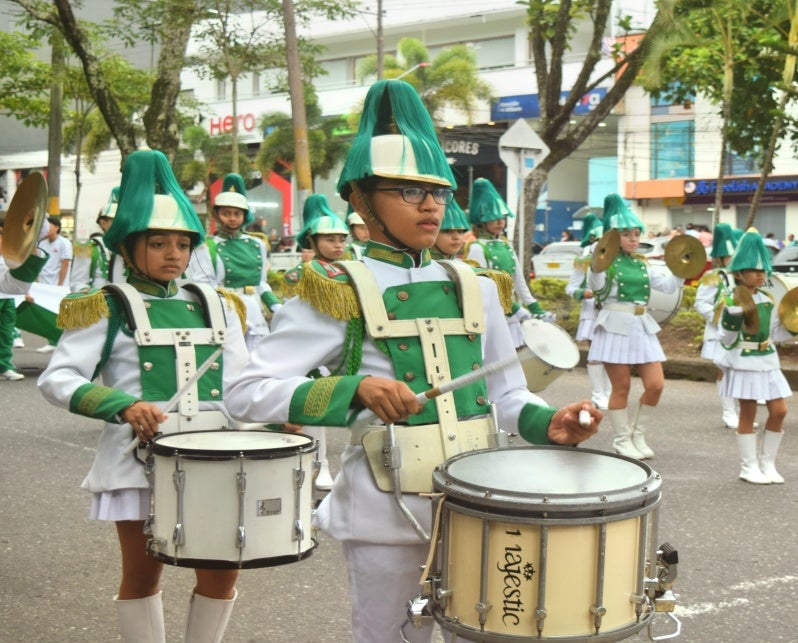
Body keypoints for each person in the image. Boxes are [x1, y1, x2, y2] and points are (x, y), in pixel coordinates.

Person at [224, 79, 599, 643]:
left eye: (438, 192)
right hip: (385, 508)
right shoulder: (333, 286)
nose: (430, 205)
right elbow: (246, 391)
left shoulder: (477, 285)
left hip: (479, 499)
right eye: (407, 191)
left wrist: (550, 423)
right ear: (361, 200)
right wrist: (355, 389)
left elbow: (505, 394)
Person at [38, 149, 249, 642]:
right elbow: (58, 377)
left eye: (183, 243)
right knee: (143, 572)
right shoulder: (106, 306)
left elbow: (243, 383)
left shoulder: (218, 304)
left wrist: (278, 417)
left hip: (216, 454)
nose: (174, 254)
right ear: (130, 246)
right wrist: (122, 405)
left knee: (222, 571)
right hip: (141, 458)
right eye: (158, 243)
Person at [588, 193, 683, 460]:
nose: (634, 239)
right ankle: (621, 440)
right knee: (622, 388)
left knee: (656, 384)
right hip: (614, 327)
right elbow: (595, 287)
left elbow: (668, 285)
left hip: (642, 326)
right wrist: (597, 262)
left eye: (637, 233)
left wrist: (683, 266)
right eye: (627, 234)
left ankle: (636, 435)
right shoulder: (602, 264)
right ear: (612, 237)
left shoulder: (642, 264)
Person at [717, 229, 798, 484]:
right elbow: (727, 340)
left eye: (763, 270)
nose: (760, 275)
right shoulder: (729, 299)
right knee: (748, 413)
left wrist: (796, 325)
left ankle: (768, 463)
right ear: (739, 273)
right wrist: (732, 319)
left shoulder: (767, 298)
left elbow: (775, 332)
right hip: (744, 361)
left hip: (768, 359)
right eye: (754, 270)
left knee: (779, 410)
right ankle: (748, 466)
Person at [282, 193, 353, 492]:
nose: (337, 244)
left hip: (345, 344)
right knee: (310, 404)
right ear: (312, 240)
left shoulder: (354, 270)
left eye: (341, 238)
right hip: (309, 346)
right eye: (329, 239)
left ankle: (330, 464)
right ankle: (313, 464)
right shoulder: (301, 273)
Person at [464, 177, 551, 346]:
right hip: (490, 317)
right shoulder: (477, 248)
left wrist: (535, 308)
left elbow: (519, 281)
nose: (500, 222)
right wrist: (516, 309)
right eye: (494, 218)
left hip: (511, 316)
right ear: (482, 220)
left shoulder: (505, 245)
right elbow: (485, 287)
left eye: (502, 217)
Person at [208, 174, 282, 350]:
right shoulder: (207, 246)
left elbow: (261, 283)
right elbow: (207, 286)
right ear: (216, 215)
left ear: (244, 215)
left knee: (259, 359)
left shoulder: (258, 243)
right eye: (226, 213)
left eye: (237, 213)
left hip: (254, 309)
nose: (232, 218)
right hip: (225, 309)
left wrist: (276, 306)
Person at [694, 223, 740, 428]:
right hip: (719, 331)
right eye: (730, 256)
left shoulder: (742, 276)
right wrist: (720, 318)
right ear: (721, 257)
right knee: (725, 370)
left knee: (739, 370)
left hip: (741, 332)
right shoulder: (712, 276)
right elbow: (700, 303)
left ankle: (739, 411)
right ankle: (728, 412)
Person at [567, 212, 611, 409]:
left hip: (611, 311)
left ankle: (610, 392)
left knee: (611, 354)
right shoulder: (583, 260)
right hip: (592, 312)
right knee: (596, 353)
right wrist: (583, 293)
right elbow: (570, 287)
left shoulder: (614, 257)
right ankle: (598, 394)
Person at [0, 219, 50, 380]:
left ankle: (4, 366)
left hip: (7, 298)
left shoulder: (7, 255)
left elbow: (13, 284)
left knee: (6, 334)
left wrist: (37, 216)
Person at [32, 214, 73, 353]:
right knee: (46, 313)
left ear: (56, 228)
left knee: (59, 314)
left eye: (48, 226)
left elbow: (65, 264)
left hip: (57, 285)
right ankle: (51, 341)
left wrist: (60, 285)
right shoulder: (42, 243)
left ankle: (60, 342)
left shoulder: (64, 243)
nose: (46, 229)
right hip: (44, 284)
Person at [70, 192, 118, 292]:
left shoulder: (127, 248)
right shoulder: (85, 247)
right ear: (103, 223)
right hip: (97, 303)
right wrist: (86, 291)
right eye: (116, 221)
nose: (120, 226)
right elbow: (78, 282)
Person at [429, 194, 470, 261]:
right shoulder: (417, 268)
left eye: (460, 232)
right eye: (447, 231)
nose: (456, 237)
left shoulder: (466, 267)